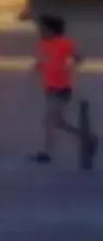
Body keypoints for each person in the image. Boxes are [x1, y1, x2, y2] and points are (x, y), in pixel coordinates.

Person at [37, 15, 79, 160]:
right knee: (58, 121)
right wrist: (39, 66)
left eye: (42, 28)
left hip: (62, 87)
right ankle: (86, 137)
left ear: (52, 30)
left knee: (49, 120)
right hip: (49, 87)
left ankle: (47, 153)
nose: (40, 30)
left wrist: (67, 65)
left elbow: (77, 58)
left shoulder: (64, 43)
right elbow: (46, 60)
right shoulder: (43, 44)